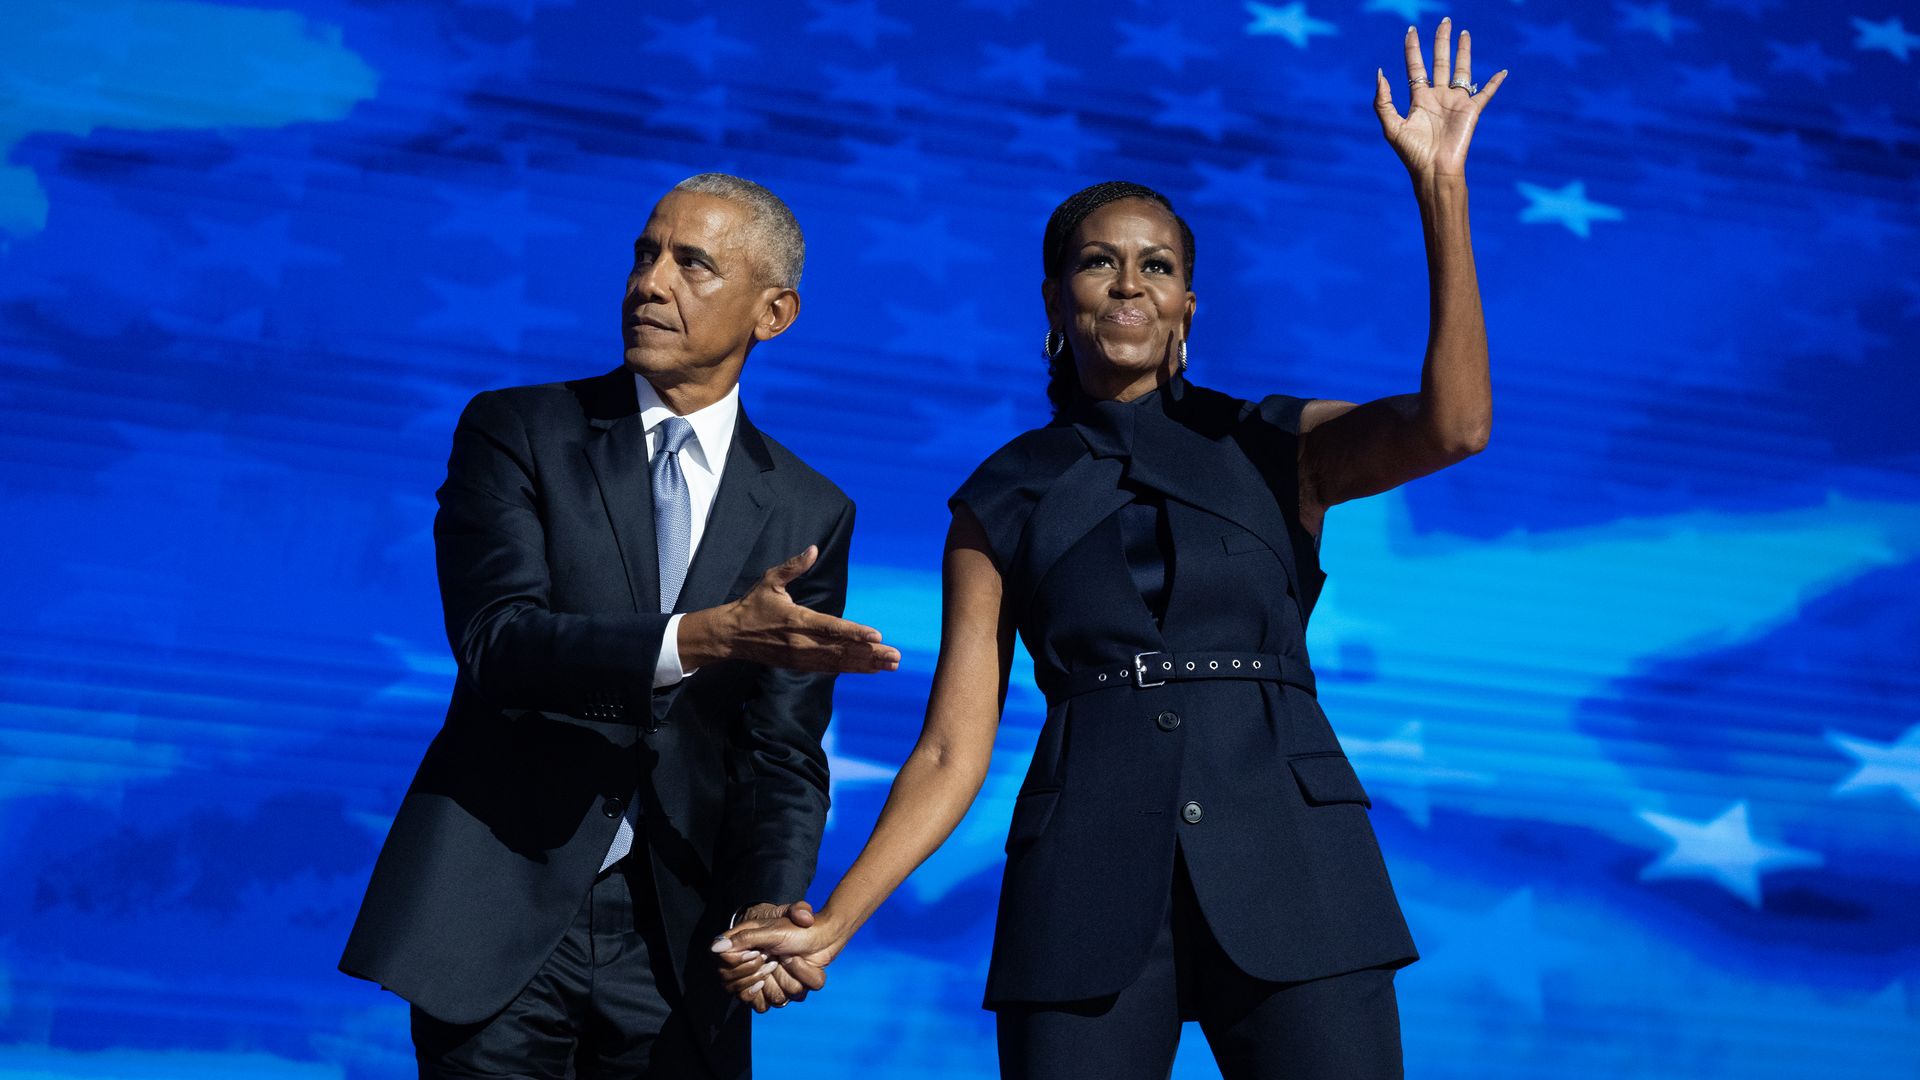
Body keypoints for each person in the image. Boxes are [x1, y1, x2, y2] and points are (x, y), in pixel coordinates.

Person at [717, 22, 1505, 1079]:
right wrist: (837, 919)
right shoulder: (1001, 496)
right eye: (1099, 262)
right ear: (1057, 299)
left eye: (1157, 266)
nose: (1128, 284)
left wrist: (1441, 188)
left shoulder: (1274, 446)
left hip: (1298, 871)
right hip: (1081, 894)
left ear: (1187, 305)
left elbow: (1455, 426)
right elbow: (954, 748)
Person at [339, 172, 900, 1079]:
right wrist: (705, 637)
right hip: (500, 917)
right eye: (646, 254)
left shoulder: (810, 510)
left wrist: (766, 903)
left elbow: (784, 751)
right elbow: (499, 643)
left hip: (680, 945)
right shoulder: (519, 429)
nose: (651, 283)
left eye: (693, 264)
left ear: (774, 314)